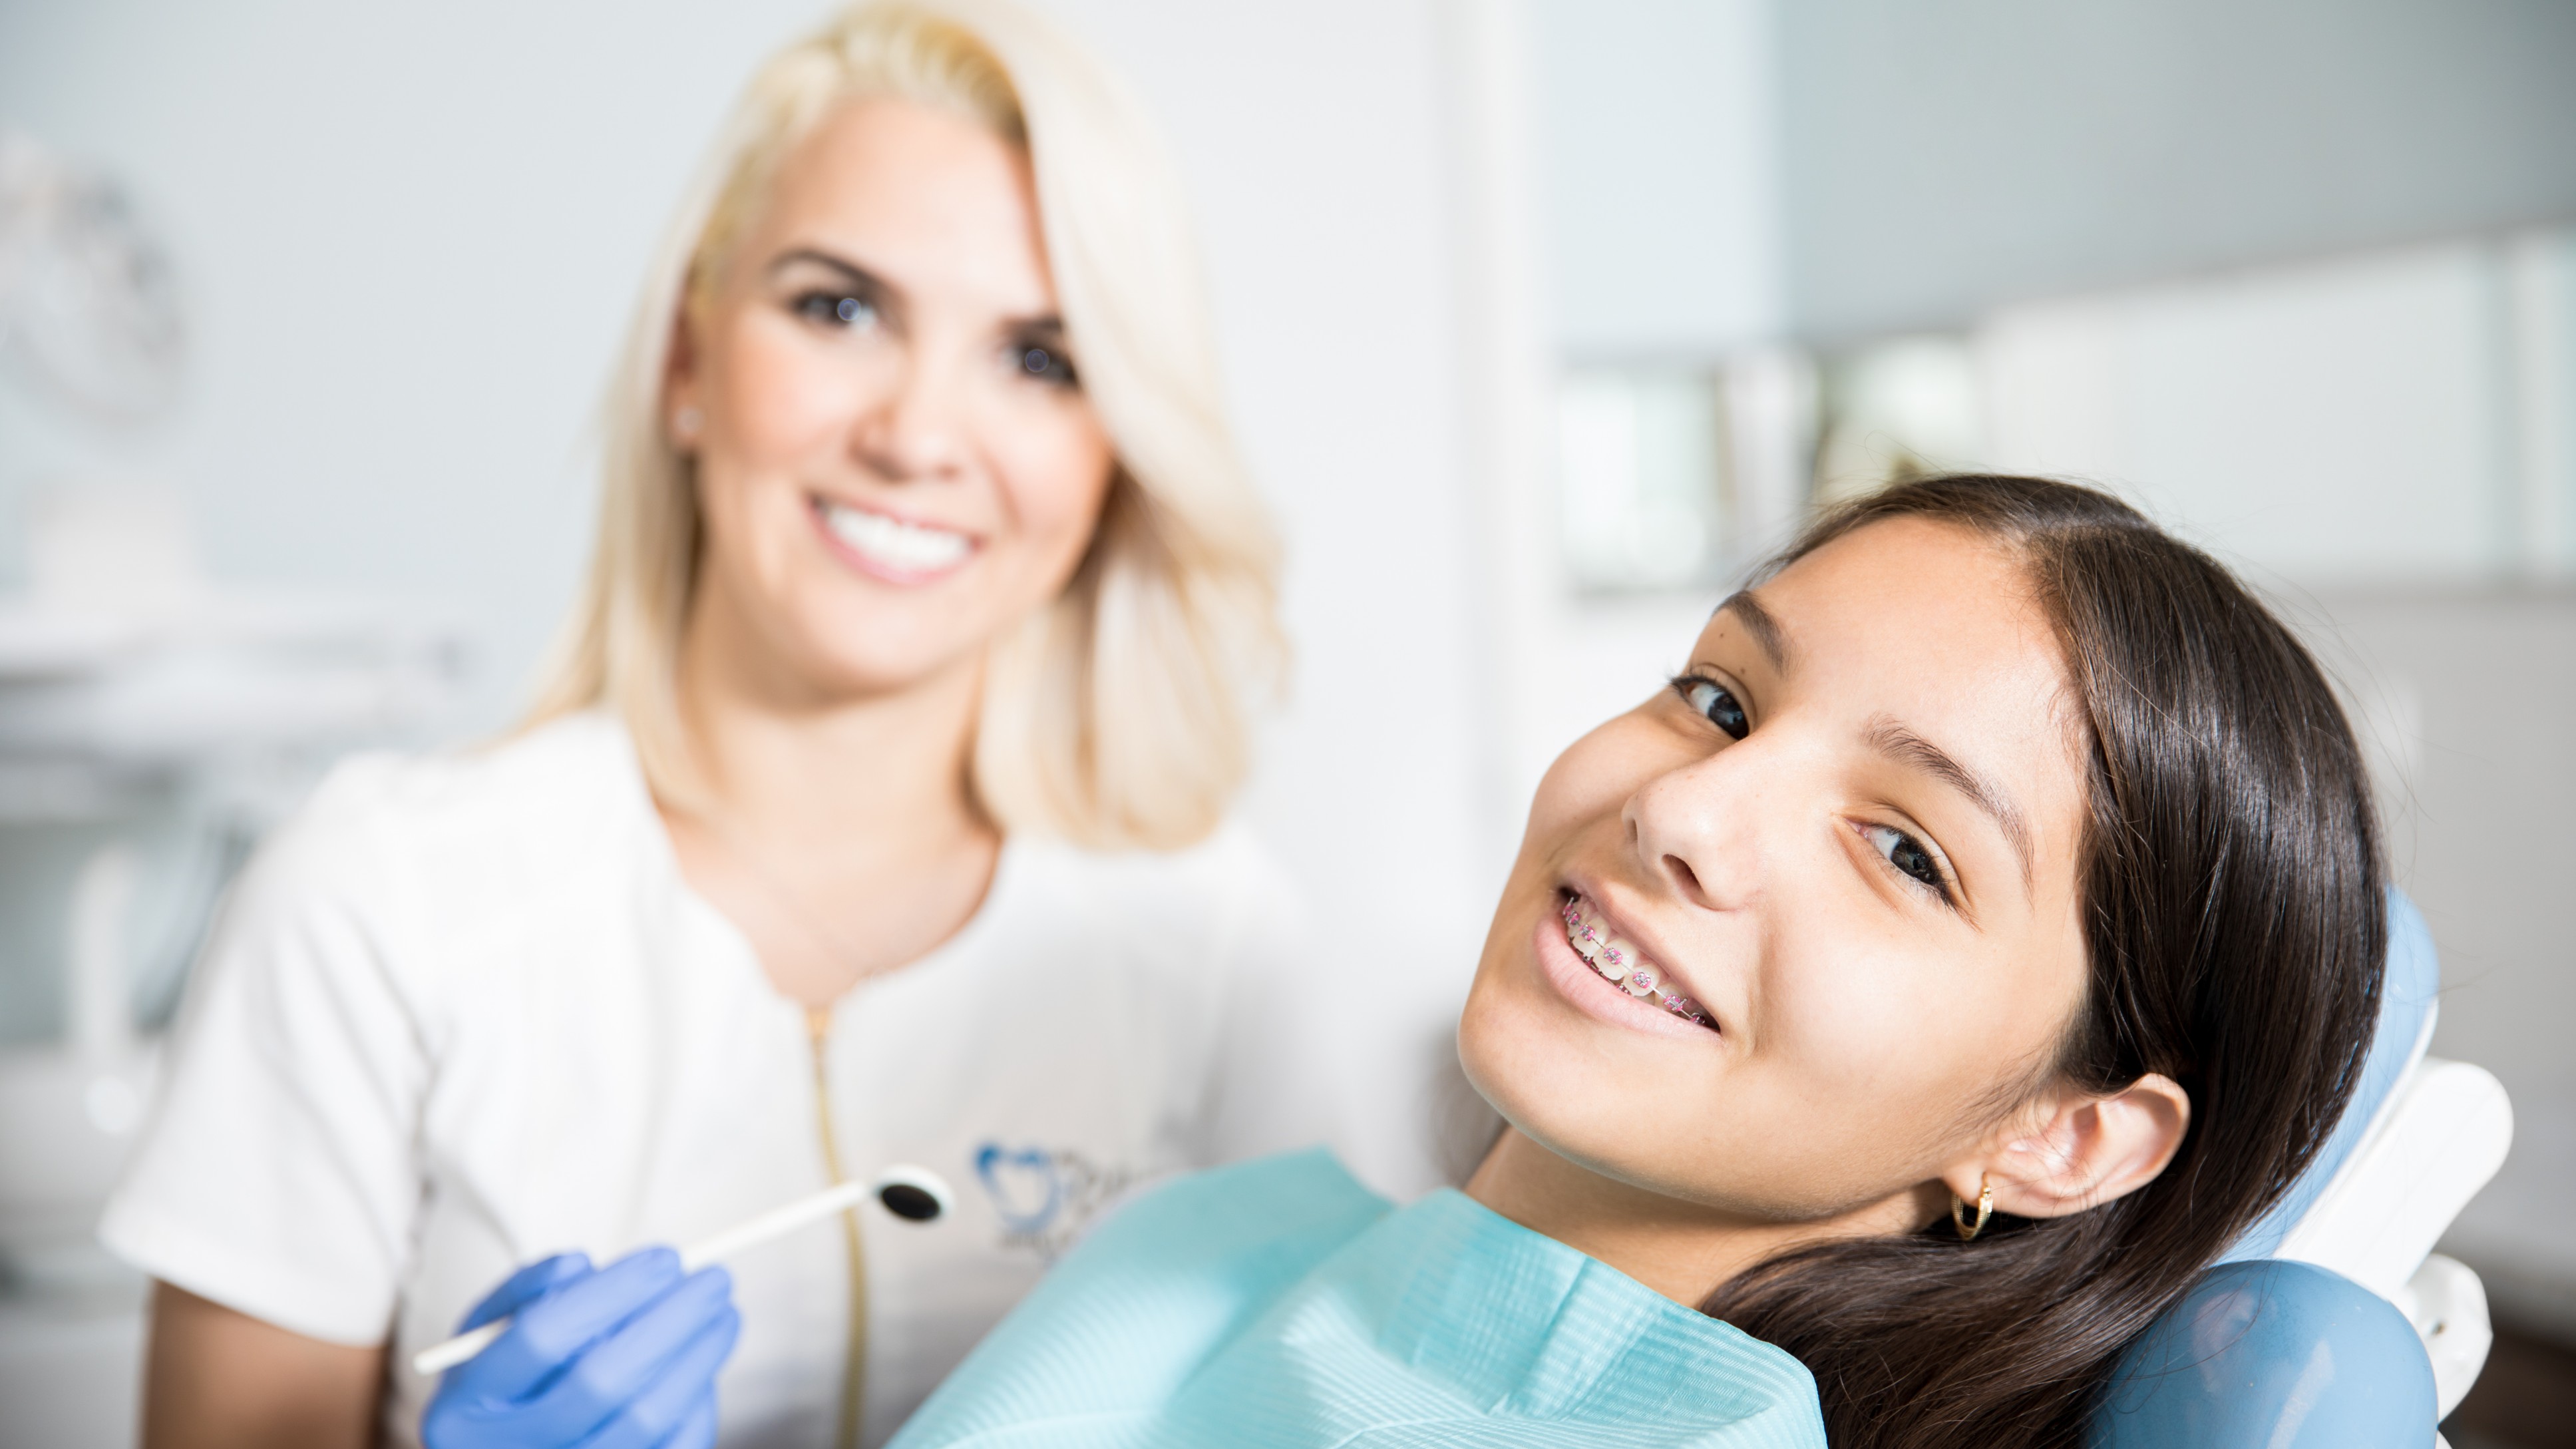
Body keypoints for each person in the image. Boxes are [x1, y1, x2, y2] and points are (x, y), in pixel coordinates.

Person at [101, 4, 1340, 1447]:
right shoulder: (377, 903)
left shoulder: (1210, 936)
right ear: (688, 361)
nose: (918, 436)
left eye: (1042, 359)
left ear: (1115, 457)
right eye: (839, 308)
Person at [874, 475, 2388, 1449]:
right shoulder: (1213, 1248)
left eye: (1904, 850)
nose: (1681, 806)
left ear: (2056, 1136)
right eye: (1722, 701)